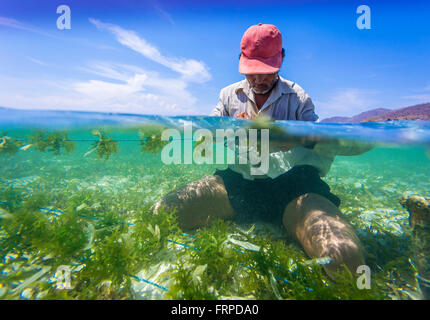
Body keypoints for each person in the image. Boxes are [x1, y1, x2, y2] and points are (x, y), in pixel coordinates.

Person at [154, 23, 370, 279]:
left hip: (296, 189)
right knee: (161, 213)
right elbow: (207, 133)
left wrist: (297, 139)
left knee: (347, 264)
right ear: (241, 62)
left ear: (281, 61)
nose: (258, 79)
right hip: (238, 184)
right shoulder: (227, 95)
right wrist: (231, 129)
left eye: (266, 71)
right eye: (251, 71)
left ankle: (292, 222)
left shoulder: (299, 98)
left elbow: (326, 139)